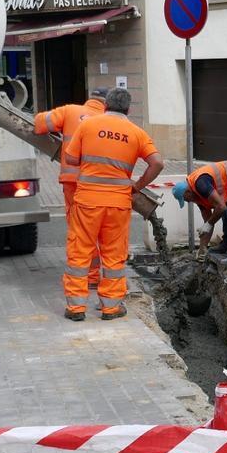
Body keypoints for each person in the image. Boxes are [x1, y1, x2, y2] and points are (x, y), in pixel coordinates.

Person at [61, 87, 164, 321]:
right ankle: (110, 307)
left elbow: (69, 158)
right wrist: (137, 185)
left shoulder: (87, 125)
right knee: (113, 255)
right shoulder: (136, 132)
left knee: (79, 252)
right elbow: (157, 163)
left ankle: (76, 308)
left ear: (105, 105)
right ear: (128, 109)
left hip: (87, 201)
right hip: (118, 203)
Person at [34, 89, 107, 287]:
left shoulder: (70, 111)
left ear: (89, 100)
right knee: (101, 231)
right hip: (99, 185)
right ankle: (94, 277)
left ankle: (81, 277)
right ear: (105, 104)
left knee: (79, 230)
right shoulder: (110, 121)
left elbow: (40, 124)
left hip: (72, 182)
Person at [171, 160, 227, 265]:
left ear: (187, 192)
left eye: (186, 199)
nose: (188, 202)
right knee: (225, 210)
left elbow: (220, 207)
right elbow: (208, 222)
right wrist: (202, 249)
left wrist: (209, 223)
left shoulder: (200, 184)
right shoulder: (197, 197)